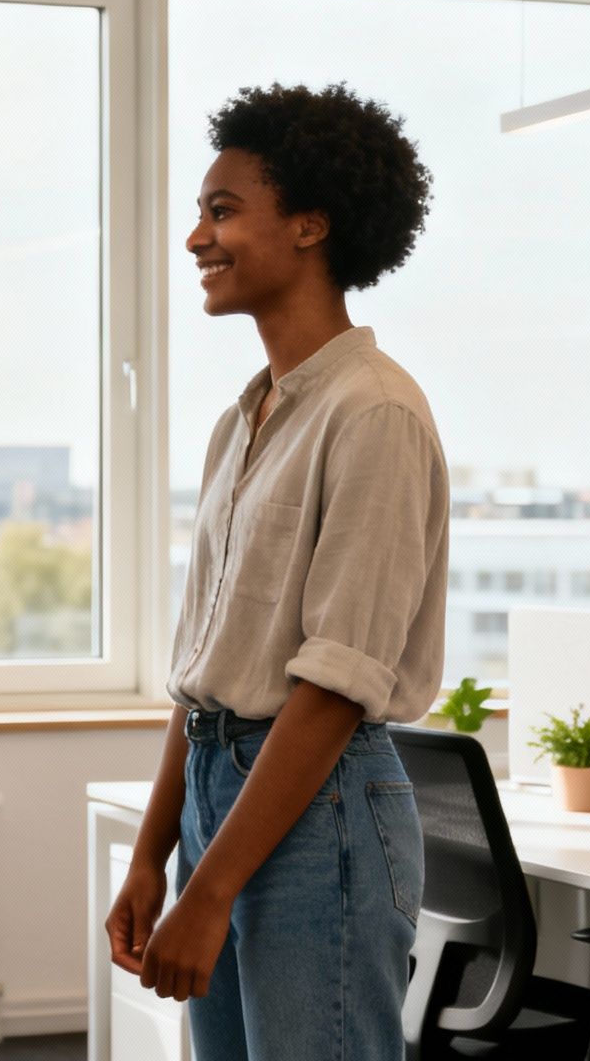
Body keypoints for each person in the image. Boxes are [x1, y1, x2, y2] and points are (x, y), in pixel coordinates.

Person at [105, 82, 446, 1060]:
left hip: (320, 807)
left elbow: (334, 686)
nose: (195, 239)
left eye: (221, 211)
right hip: (223, 789)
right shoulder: (244, 421)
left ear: (309, 224)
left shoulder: (373, 413)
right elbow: (204, 670)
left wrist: (210, 888)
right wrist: (154, 854)